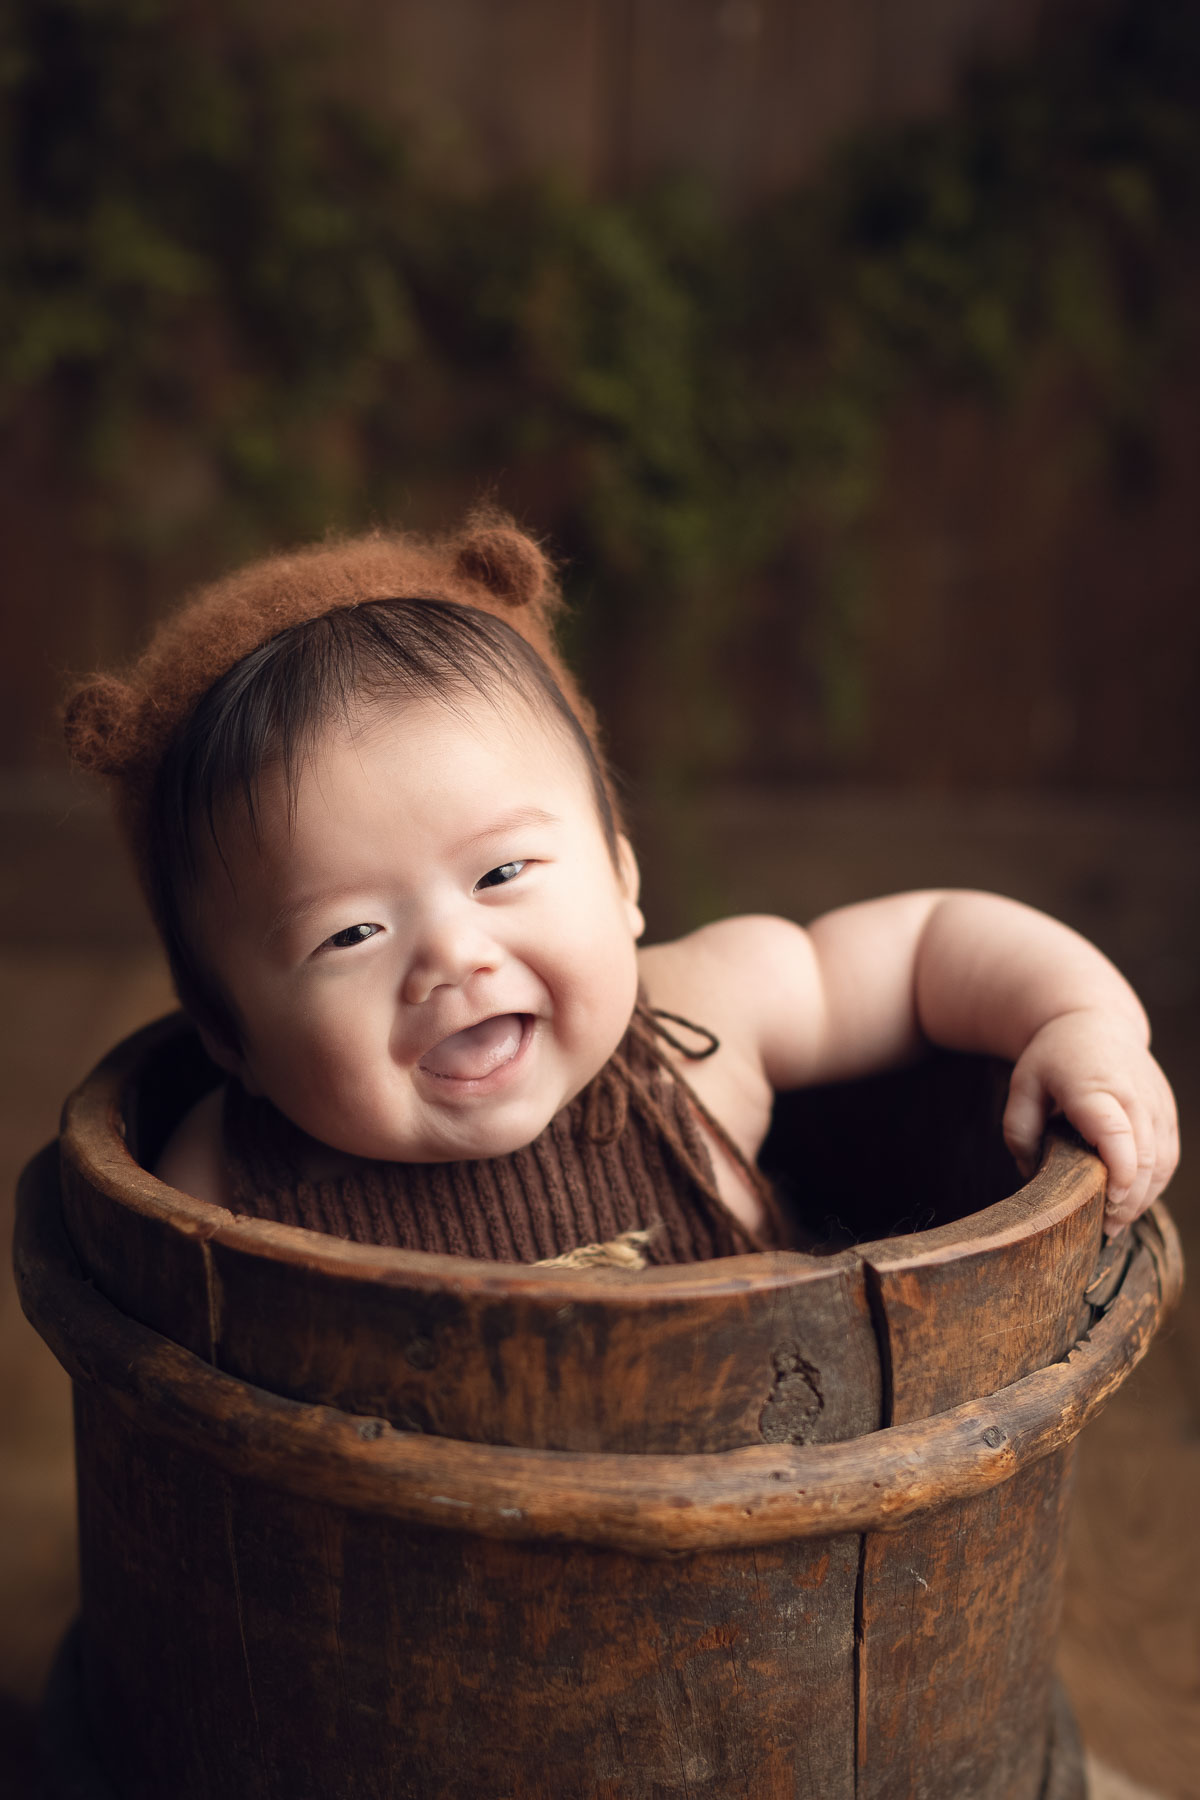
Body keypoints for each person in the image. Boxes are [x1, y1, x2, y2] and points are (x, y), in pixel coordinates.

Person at [63, 511, 1178, 1263]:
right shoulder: (229, 1183)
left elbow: (931, 944)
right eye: (350, 932)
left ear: (623, 876)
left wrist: (1084, 1023)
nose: (453, 954)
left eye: (503, 871)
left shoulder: (703, 1017)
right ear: (227, 1031)